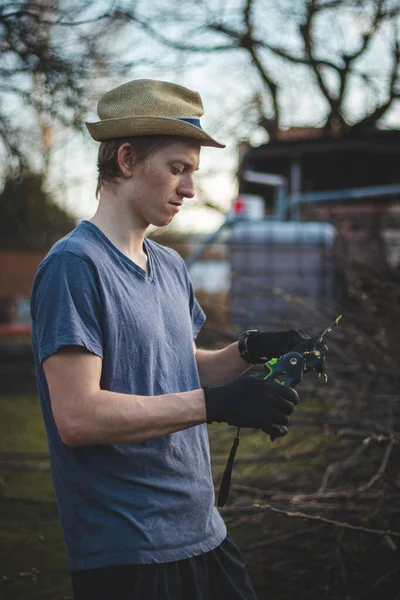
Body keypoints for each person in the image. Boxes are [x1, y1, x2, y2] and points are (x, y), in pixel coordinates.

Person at [30, 79, 309, 600]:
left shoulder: (170, 265)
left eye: (192, 173)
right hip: (129, 550)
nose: (189, 190)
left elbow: (173, 368)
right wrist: (217, 404)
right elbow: (78, 415)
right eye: (178, 169)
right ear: (128, 159)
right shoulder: (74, 266)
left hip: (203, 531)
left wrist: (246, 352)